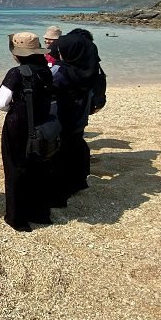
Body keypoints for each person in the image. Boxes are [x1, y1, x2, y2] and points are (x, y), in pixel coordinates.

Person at [0, 32, 54, 232]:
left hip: (18, 125)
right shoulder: (46, 71)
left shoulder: (16, 73)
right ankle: (39, 213)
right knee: (38, 167)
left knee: (15, 168)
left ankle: (17, 218)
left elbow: (1, 103)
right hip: (43, 123)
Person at [49, 29, 102, 203]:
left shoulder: (62, 73)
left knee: (60, 153)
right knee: (75, 146)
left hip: (63, 118)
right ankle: (78, 183)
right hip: (80, 118)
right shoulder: (89, 68)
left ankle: (60, 192)